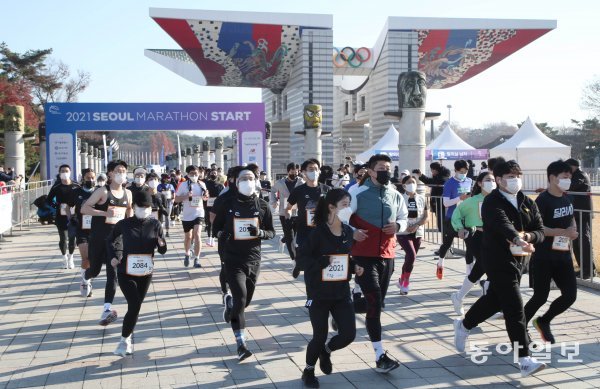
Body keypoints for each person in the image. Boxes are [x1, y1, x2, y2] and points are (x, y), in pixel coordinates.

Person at [454, 160, 546, 377]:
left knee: (494, 299)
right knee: (514, 306)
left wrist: (529, 237)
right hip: (497, 259)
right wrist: (516, 238)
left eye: (517, 176)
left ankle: (464, 325)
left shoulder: (526, 201)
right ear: (499, 180)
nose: (515, 181)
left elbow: (539, 229)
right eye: (510, 177)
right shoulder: (492, 202)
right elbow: (501, 223)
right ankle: (524, 360)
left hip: (519, 260)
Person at [348, 153, 408, 373]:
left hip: (387, 255)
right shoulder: (357, 192)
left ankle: (345, 309)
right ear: (371, 171)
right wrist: (353, 232)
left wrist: (399, 227)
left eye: (388, 168)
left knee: (377, 303)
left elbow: (403, 216)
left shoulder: (394, 193)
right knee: (374, 302)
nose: (386, 171)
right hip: (363, 255)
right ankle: (380, 355)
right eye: (381, 168)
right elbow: (342, 218)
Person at [212, 168, 275, 361]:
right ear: (236, 183)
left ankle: (230, 306)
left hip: (253, 259)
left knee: (244, 302)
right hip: (233, 258)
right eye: (243, 178)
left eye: (251, 178)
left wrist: (260, 233)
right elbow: (215, 229)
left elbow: (271, 232)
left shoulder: (263, 206)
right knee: (240, 298)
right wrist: (224, 235)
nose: (248, 181)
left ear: (256, 181)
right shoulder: (226, 203)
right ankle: (241, 344)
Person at [297, 189, 356, 388]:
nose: (348, 209)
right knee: (319, 335)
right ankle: (308, 370)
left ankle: (326, 351)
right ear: (332, 207)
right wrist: (321, 262)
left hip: (341, 292)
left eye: (349, 204)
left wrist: (356, 266)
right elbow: (302, 259)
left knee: (348, 334)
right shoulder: (317, 232)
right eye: (344, 205)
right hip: (319, 293)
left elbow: (345, 258)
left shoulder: (348, 231)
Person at [107, 190, 167, 357]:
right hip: (126, 271)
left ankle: (127, 337)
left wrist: (161, 243)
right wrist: (114, 256)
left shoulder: (155, 224)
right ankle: (124, 341)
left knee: (136, 307)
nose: (144, 209)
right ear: (134, 207)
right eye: (141, 206)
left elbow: (162, 250)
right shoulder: (124, 224)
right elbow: (111, 240)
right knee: (134, 304)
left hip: (145, 273)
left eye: (148, 207)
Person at [524, 160, 578, 344]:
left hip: (563, 255)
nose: (568, 179)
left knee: (570, 295)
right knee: (540, 296)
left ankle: (544, 321)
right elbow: (540, 229)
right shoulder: (543, 201)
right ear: (552, 178)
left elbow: (571, 218)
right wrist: (564, 233)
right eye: (564, 176)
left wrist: (573, 230)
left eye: (569, 176)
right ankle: (519, 327)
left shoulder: (567, 197)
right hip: (544, 256)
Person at [82, 159, 133, 326]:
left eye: (124, 171)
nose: (121, 174)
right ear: (110, 173)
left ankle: (106, 309)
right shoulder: (102, 191)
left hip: (116, 240)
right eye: (118, 171)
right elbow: (84, 208)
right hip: (99, 237)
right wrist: (104, 214)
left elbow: (129, 212)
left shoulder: (128, 193)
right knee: (95, 271)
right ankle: (85, 276)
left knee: (113, 273)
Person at [450, 172, 496, 315]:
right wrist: (460, 228)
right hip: (476, 236)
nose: (491, 182)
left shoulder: (499, 200)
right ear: (480, 183)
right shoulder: (471, 201)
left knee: (482, 268)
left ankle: (459, 297)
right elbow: (456, 215)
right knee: (487, 265)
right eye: (488, 180)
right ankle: (490, 303)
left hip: (494, 237)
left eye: (493, 180)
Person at [286, 159, 330, 278]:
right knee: (306, 258)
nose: (314, 172)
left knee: (318, 261)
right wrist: (288, 215)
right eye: (311, 169)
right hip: (304, 230)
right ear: (304, 172)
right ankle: (299, 264)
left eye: (316, 169)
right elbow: (288, 207)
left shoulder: (327, 190)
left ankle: (302, 267)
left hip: (322, 230)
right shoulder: (299, 190)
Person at [435, 160, 473, 279]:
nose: (463, 174)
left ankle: (469, 273)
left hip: (467, 219)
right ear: (455, 171)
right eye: (461, 172)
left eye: (465, 171)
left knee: (470, 246)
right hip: (452, 218)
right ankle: (440, 263)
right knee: (447, 244)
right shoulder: (449, 183)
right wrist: (459, 198)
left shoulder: (469, 181)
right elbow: (446, 203)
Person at [211, 166, 244, 302]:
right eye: (241, 178)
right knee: (226, 266)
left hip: (246, 240)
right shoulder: (224, 197)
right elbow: (212, 216)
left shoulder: (251, 196)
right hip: (227, 240)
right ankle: (226, 293)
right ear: (231, 179)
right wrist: (220, 232)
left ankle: (239, 292)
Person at [396, 175, 428, 295]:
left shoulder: (421, 198)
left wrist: (417, 225)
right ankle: (406, 283)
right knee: (411, 255)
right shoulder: (399, 198)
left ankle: (402, 279)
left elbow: (426, 216)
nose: (412, 184)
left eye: (413, 182)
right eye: (409, 182)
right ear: (404, 186)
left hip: (417, 232)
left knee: (409, 259)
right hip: (403, 232)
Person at [565, 158, 594, 279]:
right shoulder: (575, 175)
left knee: (583, 241)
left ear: (573, 166)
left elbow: (571, 186)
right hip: (576, 213)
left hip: (583, 213)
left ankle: (589, 270)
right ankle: (583, 269)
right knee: (576, 242)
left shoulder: (580, 175)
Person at [46, 164, 79, 269]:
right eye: (62, 171)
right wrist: (57, 206)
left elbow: (81, 198)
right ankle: (64, 257)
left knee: (72, 238)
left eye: (66, 170)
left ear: (70, 172)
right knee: (63, 238)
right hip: (61, 216)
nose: (65, 173)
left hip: (73, 215)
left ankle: (71, 258)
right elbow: (48, 200)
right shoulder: (57, 186)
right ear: (60, 173)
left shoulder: (76, 185)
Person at [175, 165, 208, 268]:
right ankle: (187, 254)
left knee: (197, 234)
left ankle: (197, 259)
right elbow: (176, 199)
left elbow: (205, 198)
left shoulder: (202, 184)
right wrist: (186, 196)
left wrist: (206, 196)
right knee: (188, 237)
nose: (194, 175)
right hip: (187, 215)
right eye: (192, 174)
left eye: (196, 173)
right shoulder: (183, 185)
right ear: (188, 174)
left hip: (199, 213)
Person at [70, 168, 97, 297]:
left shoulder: (99, 192)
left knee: (93, 258)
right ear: (83, 178)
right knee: (85, 258)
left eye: (92, 178)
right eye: (88, 178)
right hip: (82, 230)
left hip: (97, 230)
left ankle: (88, 277)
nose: (90, 180)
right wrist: (72, 218)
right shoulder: (76, 192)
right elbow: (66, 206)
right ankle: (85, 281)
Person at [270, 163, 304, 261]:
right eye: (292, 172)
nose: (294, 173)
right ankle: (294, 259)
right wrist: (274, 201)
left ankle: (282, 240)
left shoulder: (301, 182)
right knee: (290, 238)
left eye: (296, 172)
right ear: (288, 171)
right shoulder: (280, 182)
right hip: (284, 212)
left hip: (297, 212)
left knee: (293, 234)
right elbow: (272, 191)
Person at [414, 162, 450, 234]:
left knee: (442, 224)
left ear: (436, 170)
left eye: (432, 170)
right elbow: (431, 182)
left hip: (442, 204)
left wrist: (422, 176)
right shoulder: (439, 177)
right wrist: (421, 175)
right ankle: (445, 239)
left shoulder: (443, 178)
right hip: (439, 203)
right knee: (441, 223)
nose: (431, 172)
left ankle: (445, 240)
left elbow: (431, 182)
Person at [204, 170, 224, 247]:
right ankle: (209, 237)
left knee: (215, 222)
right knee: (209, 222)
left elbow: (223, 196)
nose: (213, 174)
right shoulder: (206, 184)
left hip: (217, 206)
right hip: (208, 205)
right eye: (212, 173)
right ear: (209, 174)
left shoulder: (220, 185)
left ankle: (213, 238)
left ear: (217, 175)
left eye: (215, 173)